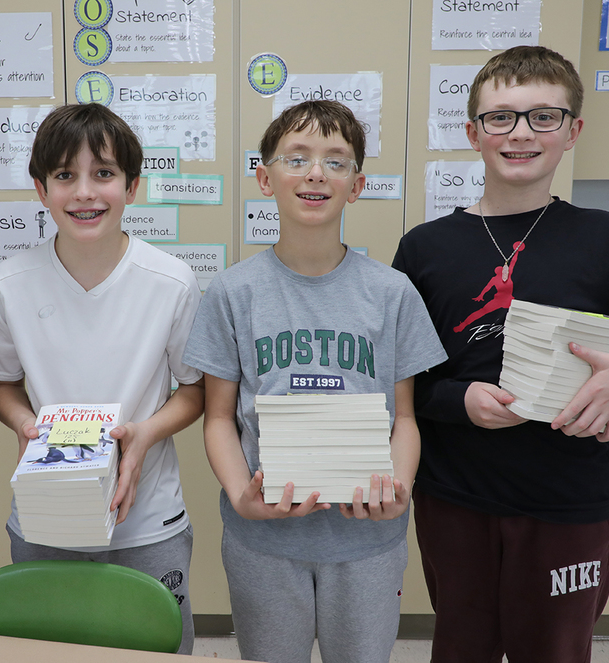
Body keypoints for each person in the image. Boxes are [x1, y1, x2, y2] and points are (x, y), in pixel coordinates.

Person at [392, 45, 609, 663]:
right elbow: (401, 383)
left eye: (543, 117)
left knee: (554, 652)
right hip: (455, 500)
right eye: (500, 116)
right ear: (473, 132)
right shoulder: (425, 248)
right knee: (459, 650)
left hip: (566, 503)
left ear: (572, 131)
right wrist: (459, 399)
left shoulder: (604, 239)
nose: (520, 133)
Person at [184, 100, 447, 663]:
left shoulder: (392, 292)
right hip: (263, 539)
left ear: (357, 184)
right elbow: (218, 418)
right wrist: (240, 496)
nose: (315, 172)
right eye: (296, 158)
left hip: (366, 540)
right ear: (264, 177)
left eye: (336, 160)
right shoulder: (234, 293)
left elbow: (404, 417)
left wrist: (397, 493)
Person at [0, 103, 205, 654]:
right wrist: (24, 425)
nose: (85, 192)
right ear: (41, 190)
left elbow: (194, 391)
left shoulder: (172, 282)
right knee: (47, 649)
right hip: (45, 514)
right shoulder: (11, 281)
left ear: (133, 186)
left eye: (103, 173)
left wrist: (143, 436)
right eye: (65, 175)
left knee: (158, 645)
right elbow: (4, 386)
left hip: (148, 518)